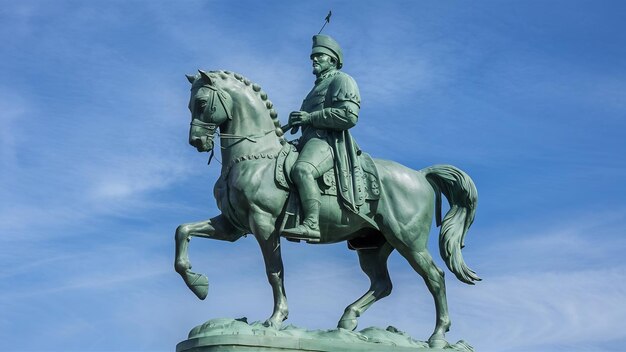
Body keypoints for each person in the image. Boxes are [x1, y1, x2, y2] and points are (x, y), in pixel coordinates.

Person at [283, 34, 364, 242]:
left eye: (319, 56)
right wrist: (295, 122)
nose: (314, 60)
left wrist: (310, 117)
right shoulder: (313, 90)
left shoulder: (342, 80)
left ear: (333, 60)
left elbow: (348, 115)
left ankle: (311, 224)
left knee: (302, 169)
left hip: (328, 142)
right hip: (307, 141)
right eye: (313, 57)